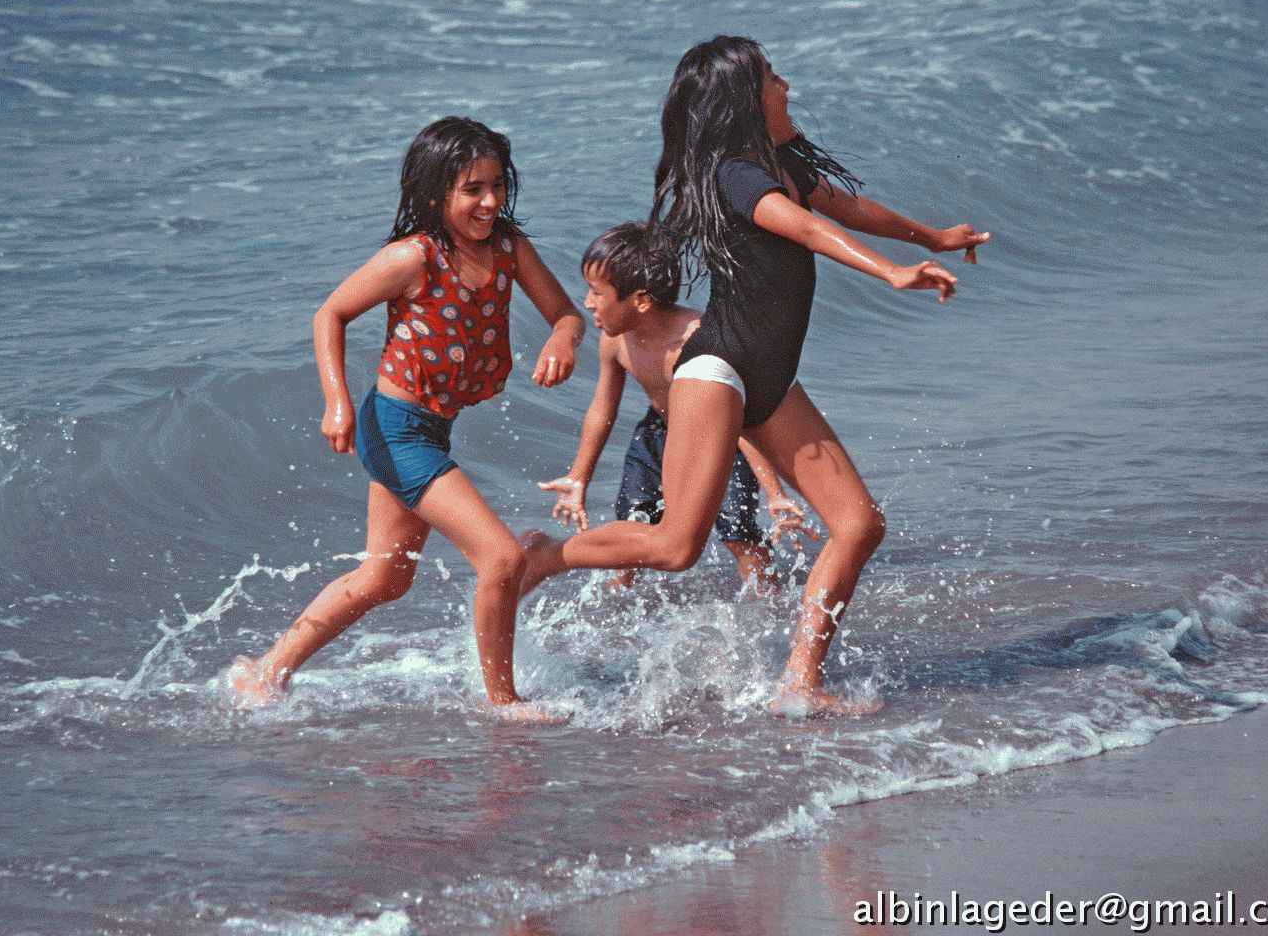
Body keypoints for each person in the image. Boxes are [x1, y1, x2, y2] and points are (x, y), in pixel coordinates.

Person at [519, 36, 990, 716]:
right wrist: (889, 272)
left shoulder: (782, 163)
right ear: (744, 98)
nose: (786, 85)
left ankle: (800, 683)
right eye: (772, 77)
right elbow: (806, 229)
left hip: (770, 377)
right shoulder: (736, 176)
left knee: (858, 525)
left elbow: (849, 209)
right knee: (676, 546)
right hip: (718, 369)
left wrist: (934, 237)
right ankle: (546, 556)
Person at [230, 116, 584, 719]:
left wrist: (563, 338)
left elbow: (567, 314)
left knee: (384, 580)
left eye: (498, 185)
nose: (490, 202)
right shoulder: (413, 257)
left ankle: (265, 671)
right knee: (501, 559)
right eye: (473, 190)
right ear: (435, 194)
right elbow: (330, 314)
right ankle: (502, 702)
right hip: (393, 428)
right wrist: (337, 401)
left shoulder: (508, 248)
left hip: (432, 430)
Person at [536, 221, 817, 593]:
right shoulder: (615, 341)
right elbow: (603, 409)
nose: (587, 303)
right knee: (634, 527)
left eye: (597, 293)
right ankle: (617, 604)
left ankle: (768, 603)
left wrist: (774, 492)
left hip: (722, 437)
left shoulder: (698, 341)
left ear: (640, 300)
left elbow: (743, 425)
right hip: (658, 435)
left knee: (738, 533)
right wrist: (578, 476)